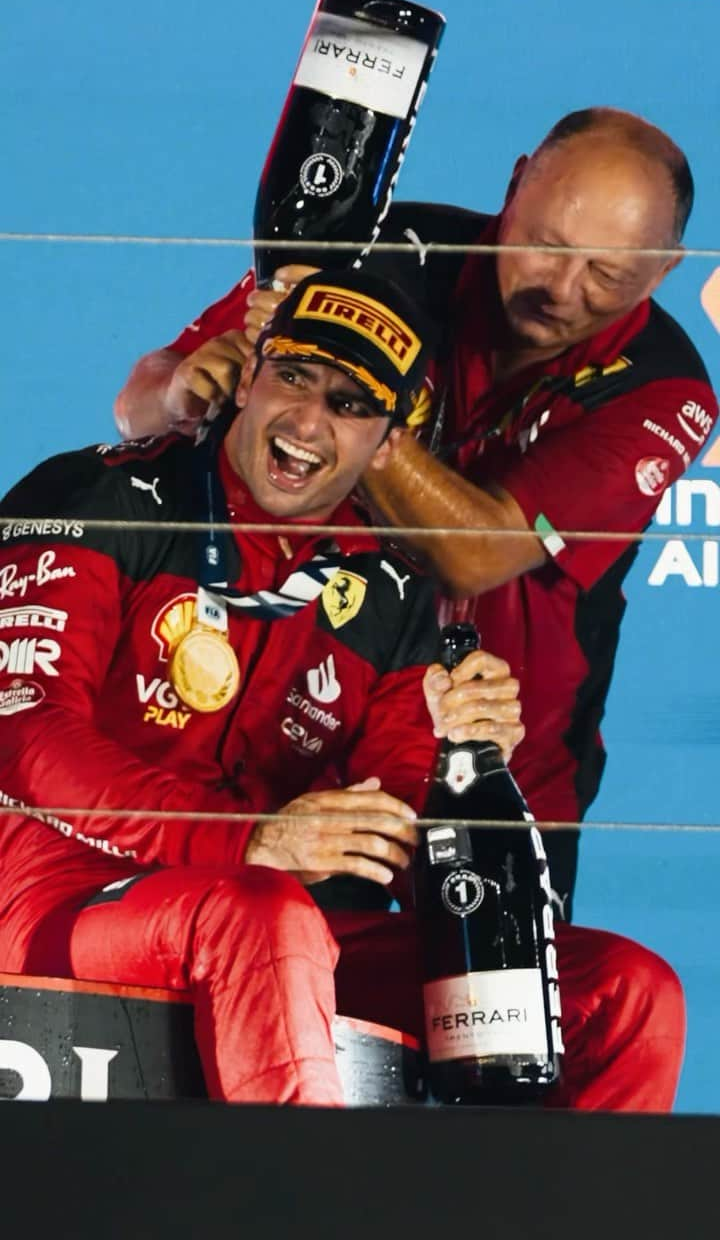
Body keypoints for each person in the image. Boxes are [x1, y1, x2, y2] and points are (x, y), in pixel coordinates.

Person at [0, 269, 684, 1111]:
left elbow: (396, 830)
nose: (308, 423)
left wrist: (463, 764)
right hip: (56, 899)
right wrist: (247, 839)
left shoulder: (394, 590)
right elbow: (26, 740)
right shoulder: (98, 495)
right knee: (265, 914)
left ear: (388, 439)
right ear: (249, 376)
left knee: (621, 992)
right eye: (294, 377)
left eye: (353, 405)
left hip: (287, 930)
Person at [114, 107, 717, 917]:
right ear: (513, 186)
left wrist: (347, 409)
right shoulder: (386, 251)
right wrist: (193, 385)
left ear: (667, 268)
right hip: (296, 735)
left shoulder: (664, 389)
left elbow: (473, 553)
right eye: (545, 244)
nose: (562, 291)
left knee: (494, 1029)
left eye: (607, 276)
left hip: (498, 767)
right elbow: (139, 406)